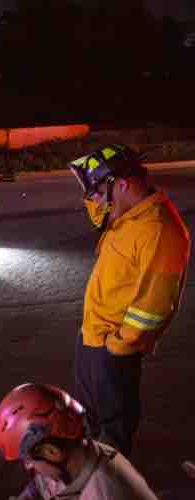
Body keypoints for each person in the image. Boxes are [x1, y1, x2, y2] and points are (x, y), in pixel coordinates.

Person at [68, 144, 190, 457]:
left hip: (114, 351)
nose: (96, 200)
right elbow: (99, 215)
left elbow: (156, 305)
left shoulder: (158, 229)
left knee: (112, 436)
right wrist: (94, 190)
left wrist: (120, 345)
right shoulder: (126, 215)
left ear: (122, 185)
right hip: (92, 338)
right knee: (88, 422)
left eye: (99, 192)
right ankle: (90, 476)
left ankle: (112, 480)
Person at [0, 383, 159, 500]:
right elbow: (40, 486)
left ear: (52, 452)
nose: (28, 466)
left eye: (29, 461)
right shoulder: (71, 457)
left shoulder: (105, 493)